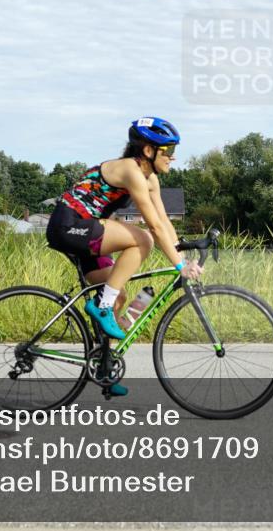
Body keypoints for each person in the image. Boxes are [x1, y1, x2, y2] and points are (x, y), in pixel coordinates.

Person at [45, 117, 203, 396]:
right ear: (148, 151)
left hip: (83, 230)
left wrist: (182, 252)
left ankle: (103, 369)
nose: (173, 157)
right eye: (168, 150)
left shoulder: (149, 178)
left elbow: (164, 221)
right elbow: (152, 226)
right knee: (143, 239)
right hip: (68, 224)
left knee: (117, 294)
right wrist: (178, 266)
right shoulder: (131, 170)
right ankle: (102, 307)